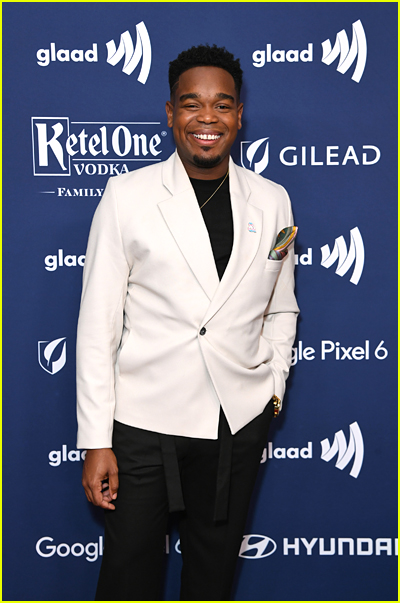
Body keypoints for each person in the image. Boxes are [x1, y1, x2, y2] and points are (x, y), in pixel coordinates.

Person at [76, 44, 299, 601]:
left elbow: (282, 307)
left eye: (222, 105)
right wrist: (96, 440)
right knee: (127, 577)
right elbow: (97, 324)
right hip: (143, 424)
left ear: (239, 116)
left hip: (235, 422)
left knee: (213, 578)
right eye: (191, 104)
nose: (207, 118)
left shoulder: (273, 201)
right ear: (171, 112)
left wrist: (272, 385)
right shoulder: (128, 196)